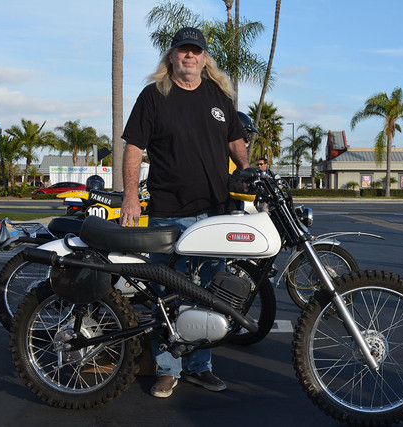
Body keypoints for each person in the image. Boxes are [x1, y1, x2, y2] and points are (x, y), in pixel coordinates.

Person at [119, 28, 250, 398]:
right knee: (165, 294)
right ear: (171, 57)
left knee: (209, 293)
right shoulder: (153, 97)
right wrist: (131, 197)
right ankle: (167, 368)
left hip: (215, 212)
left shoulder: (219, 96)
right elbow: (133, 149)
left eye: (196, 51)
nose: (189, 57)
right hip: (168, 211)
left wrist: (248, 171)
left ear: (205, 58)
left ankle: (199, 366)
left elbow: (235, 142)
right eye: (183, 51)